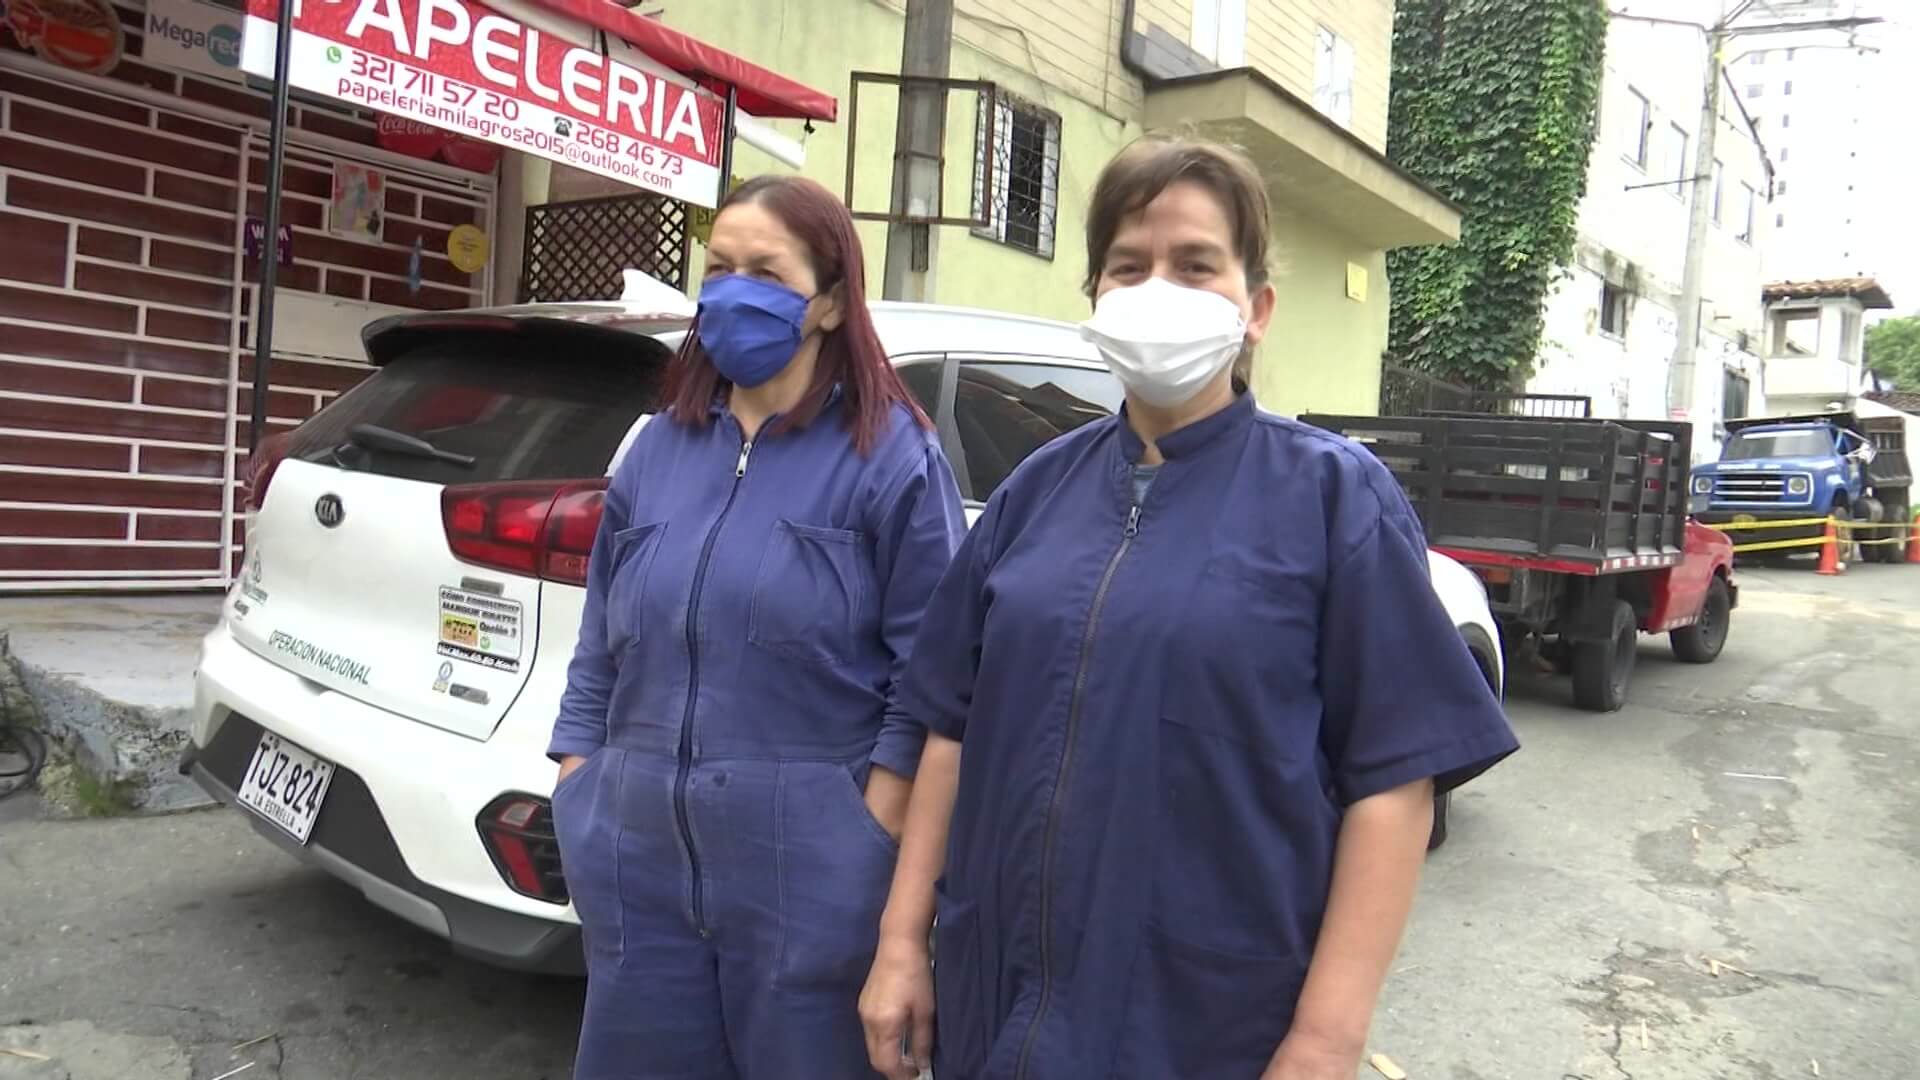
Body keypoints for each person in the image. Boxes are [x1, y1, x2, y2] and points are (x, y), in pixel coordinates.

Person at [859, 136, 1519, 1080]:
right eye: (1129, 267)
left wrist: (1327, 1041)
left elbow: (1394, 784)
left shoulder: (1333, 499)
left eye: (1195, 265)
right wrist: (898, 944)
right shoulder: (1034, 493)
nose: (1157, 288)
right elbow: (949, 731)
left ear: (1256, 310)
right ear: (1096, 297)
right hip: (996, 1003)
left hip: (1205, 1025)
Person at [550, 174, 967, 1079]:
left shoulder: (892, 457)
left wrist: (863, 835)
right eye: (719, 268)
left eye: (765, 271)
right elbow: (599, 642)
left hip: (810, 884)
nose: (732, 291)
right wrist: (580, 782)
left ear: (828, 302)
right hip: (639, 868)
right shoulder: (659, 446)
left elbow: (934, 685)